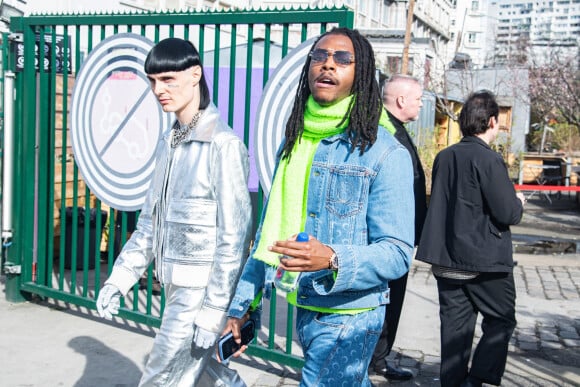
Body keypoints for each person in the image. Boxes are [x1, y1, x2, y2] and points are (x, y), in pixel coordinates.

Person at [223, 27, 415, 386]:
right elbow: (268, 238)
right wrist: (242, 307)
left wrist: (332, 258)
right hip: (308, 307)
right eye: (319, 57)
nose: (328, 65)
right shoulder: (294, 142)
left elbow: (398, 253)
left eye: (342, 59)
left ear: (361, 73)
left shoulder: (384, 153)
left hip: (351, 314)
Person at [95, 37, 253, 386]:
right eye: (153, 81)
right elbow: (150, 224)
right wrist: (119, 279)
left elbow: (235, 236)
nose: (158, 90)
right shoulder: (171, 141)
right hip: (172, 285)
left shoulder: (222, 145)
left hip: (199, 293)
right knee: (201, 373)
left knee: (160, 375)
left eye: (168, 79)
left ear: (195, 74)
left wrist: (213, 311)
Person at [416, 90, 526, 387]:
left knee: (455, 328)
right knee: (502, 319)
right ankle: (476, 378)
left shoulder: (444, 156)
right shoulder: (490, 160)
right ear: (492, 121)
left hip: (446, 258)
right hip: (483, 261)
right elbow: (507, 213)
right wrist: (520, 203)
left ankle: (453, 382)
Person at [369, 74, 427, 381]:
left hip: (398, 232)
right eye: (418, 98)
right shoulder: (385, 129)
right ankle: (375, 357)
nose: (421, 103)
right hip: (389, 234)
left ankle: (377, 356)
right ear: (401, 101)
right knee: (386, 297)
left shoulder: (393, 126)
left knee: (390, 297)